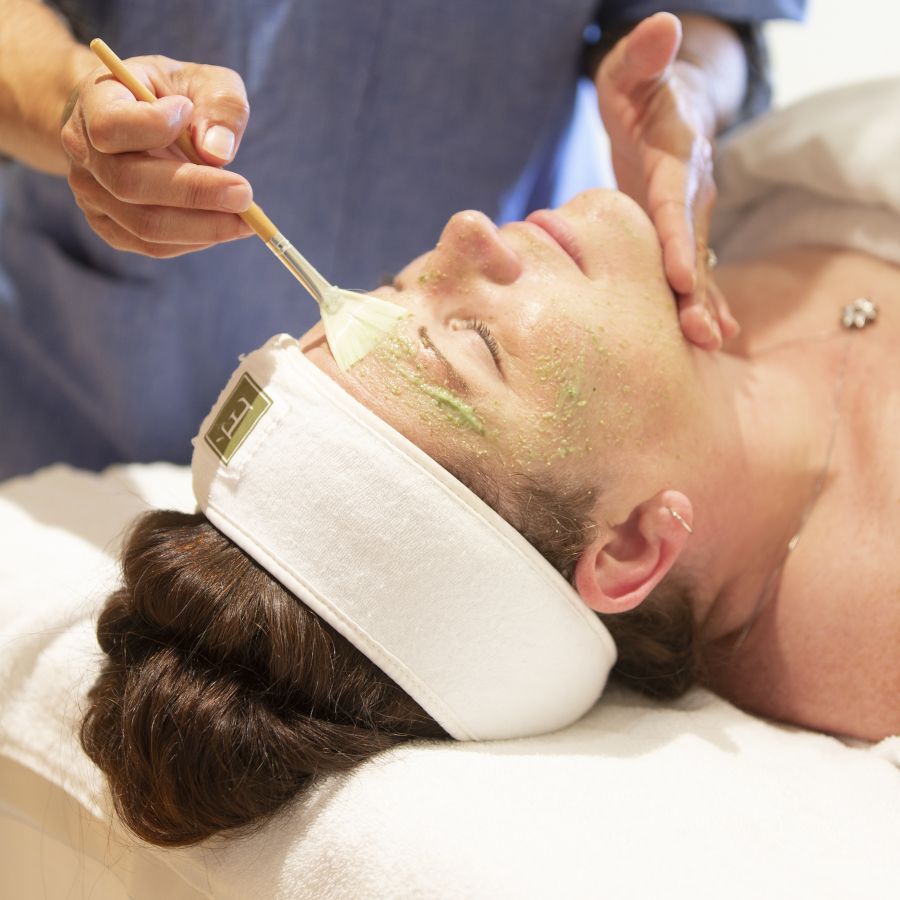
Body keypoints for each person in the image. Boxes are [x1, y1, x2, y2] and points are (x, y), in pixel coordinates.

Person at [79, 75, 900, 849]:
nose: (464, 231)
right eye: (476, 340)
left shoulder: (723, 215)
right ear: (628, 547)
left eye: (398, 283)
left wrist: (696, 79)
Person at [0, 2, 803, 479]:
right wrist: (73, 103)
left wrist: (686, 83)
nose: (466, 230)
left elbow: (711, 18)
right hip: (80, 381)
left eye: (473, 339)